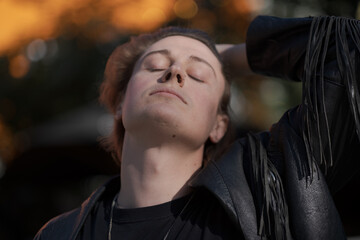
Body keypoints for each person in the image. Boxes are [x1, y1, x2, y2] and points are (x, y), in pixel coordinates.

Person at [34, 15, 360, 240]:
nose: (175, 70)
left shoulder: (268, 190)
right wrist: (201, 58)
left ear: (219, 124)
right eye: (155, 65)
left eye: (198, 75)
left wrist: (229, 56)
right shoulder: (58, 234)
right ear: (120, 104)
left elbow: (348, 49)